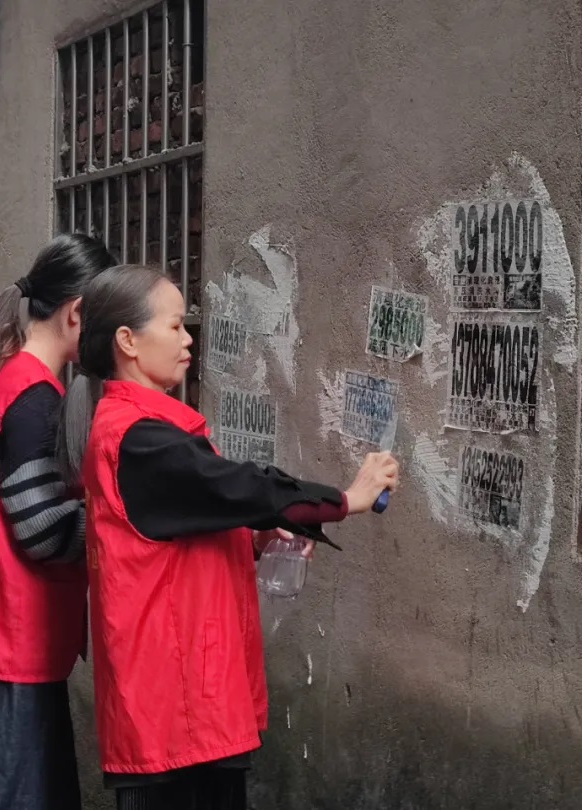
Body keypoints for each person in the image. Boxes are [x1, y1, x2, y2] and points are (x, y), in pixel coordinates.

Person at [57, 265, 399, 810]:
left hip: (183, 698)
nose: (188, 339)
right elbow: (242, 487)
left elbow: (187, 525)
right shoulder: (139, 439)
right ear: (128, 341)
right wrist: (346, 499)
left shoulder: (145, 431)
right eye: (175, 326)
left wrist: (259, 538)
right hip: (175, 709)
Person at [0, 233, 118, 810]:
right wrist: (121, 526)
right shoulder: (34, 398)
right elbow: (41, 529)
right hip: (9, 644)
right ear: (76, 313)